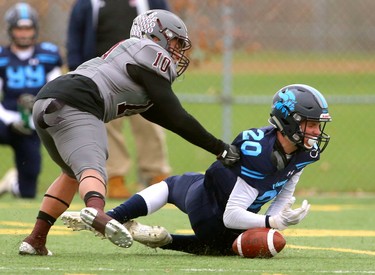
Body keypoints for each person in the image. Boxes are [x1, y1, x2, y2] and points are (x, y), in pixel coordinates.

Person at [18, 9, 239, 256]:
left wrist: (216, 147)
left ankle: (35, 239)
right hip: (78, 103)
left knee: (71, 174)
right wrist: (220, 147)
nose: (177, 50)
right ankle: (97, 212)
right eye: (176, 41)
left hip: (46, 102)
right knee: (94, 165)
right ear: (156, 36)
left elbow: (170, 119)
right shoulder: (149, 53)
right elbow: (177, 115)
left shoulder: (131, 60)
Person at [62, 84, 332, 255]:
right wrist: (271, 223)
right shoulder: (258, 152)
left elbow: (286, 189)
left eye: (317, 125)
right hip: (211, 211)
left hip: (205, 188)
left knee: (175, 184)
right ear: (287, 121)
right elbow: (231, 216)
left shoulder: (305, 152)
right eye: (309, 124)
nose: (315, 132)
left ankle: (112, 219)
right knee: (220, 241)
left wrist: (278, 219)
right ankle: (148, 234)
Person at [67, 0, 172, 199]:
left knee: (151, 124)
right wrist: (77, 70)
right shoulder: (88, 4)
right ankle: (115, 177)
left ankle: (156, 174)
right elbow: (75, 36)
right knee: (109, 128)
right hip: (103, 77)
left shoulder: (152, 2)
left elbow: (168, 28)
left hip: (144, 74)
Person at [0, 2, 62, 198]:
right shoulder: (2, 57)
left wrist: (39, 115)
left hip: (33, 123)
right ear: (10, 30)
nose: (24, 33)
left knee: (28, 192)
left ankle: (13, 184)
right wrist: (11, 122)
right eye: (19, 28)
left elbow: (57, 93)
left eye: (28, 28)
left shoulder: (48, 55)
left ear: (35, 29)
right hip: (5, 118)